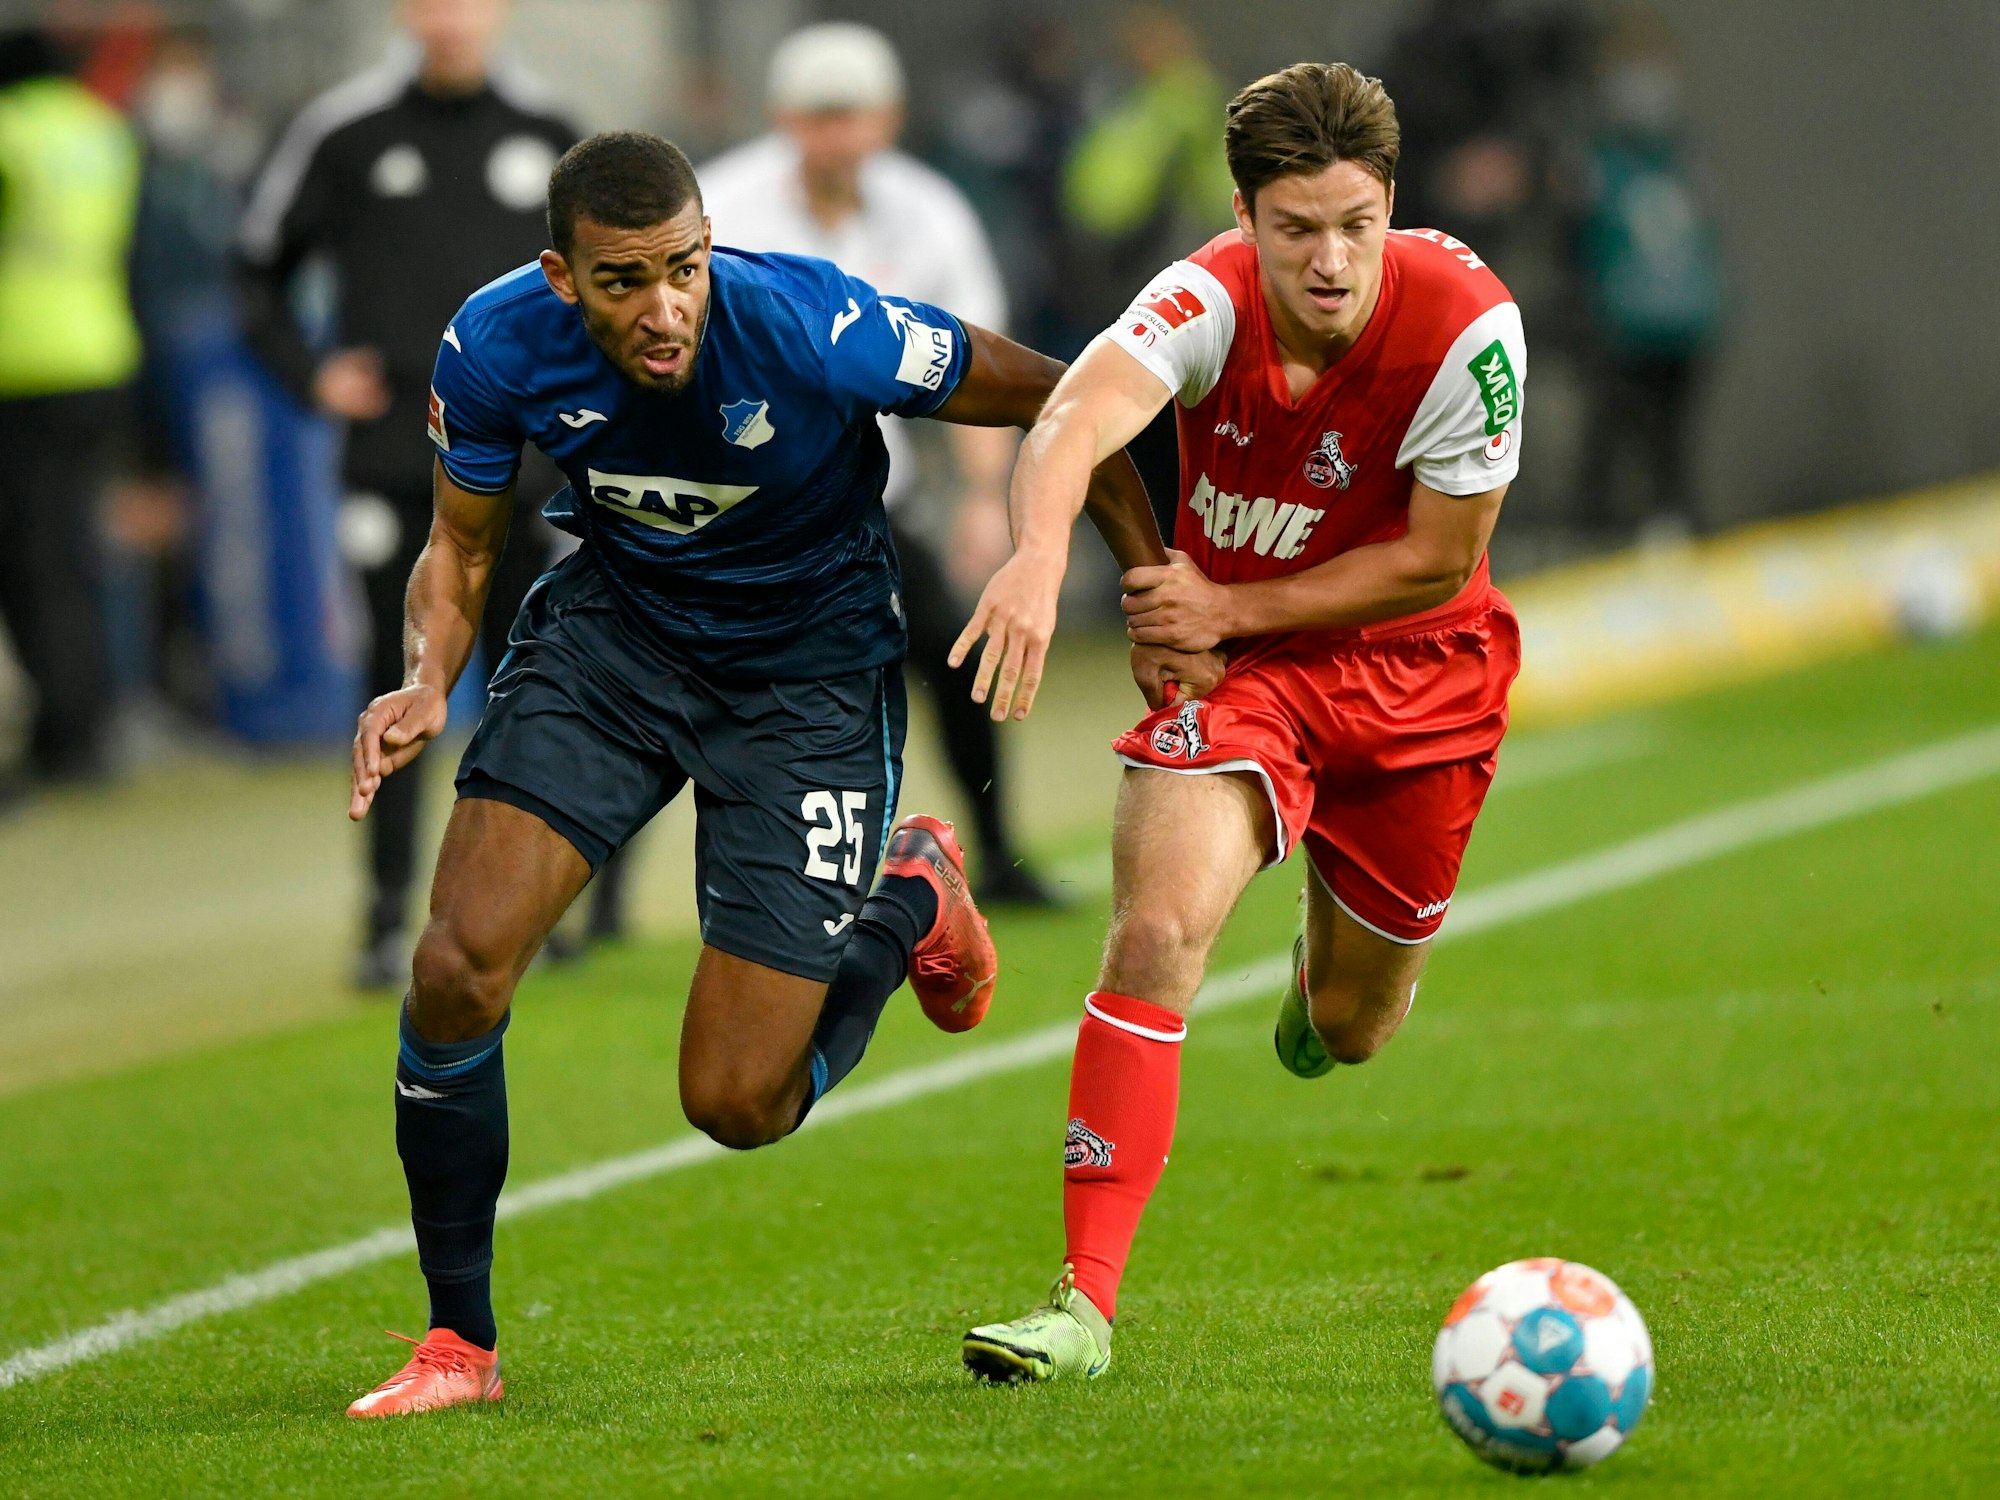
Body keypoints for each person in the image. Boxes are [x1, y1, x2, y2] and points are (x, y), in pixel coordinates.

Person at [340, 131, 1179, 1417]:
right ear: (561, 277)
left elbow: (1066, 395)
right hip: (615, 644)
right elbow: (461, 546)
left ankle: (910, 900)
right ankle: (460, 1342)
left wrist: (1123, 576)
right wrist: (423, 674)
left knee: (738, 1102)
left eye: (684, 266)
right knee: (454, 968)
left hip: (809, 680)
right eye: (624, 280)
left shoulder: (811, 322)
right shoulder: (494, 343)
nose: (665, 305)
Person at [952, 61, 1526, 1382]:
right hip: (1244, 678)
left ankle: (1315, 997)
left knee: (1355, 1027)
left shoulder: (1469, 329)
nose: (1329, 262)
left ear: (1393, 205)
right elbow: (1076, 414)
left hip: (1422, 679)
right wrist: (1040, 558)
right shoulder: (1203, 293)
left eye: (1356, 225)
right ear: (1245, 215)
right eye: (1295, 229)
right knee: (1153, 929)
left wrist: (1226, 595)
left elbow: (1439, 559)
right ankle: (1082, 1307)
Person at [234, 0, 602, 987]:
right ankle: (388, 916)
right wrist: (308, 374)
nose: (451, 16)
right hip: (397, 464)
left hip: (529, 467)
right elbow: (256, 265)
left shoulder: (551, 135)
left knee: (534, 686)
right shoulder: (346, 133)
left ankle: (527, 907)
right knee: (397, 686)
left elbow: (616, 279)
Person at [699, 22, 1052, 906]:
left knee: (953, 646)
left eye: (853, 114)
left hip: (854, 501)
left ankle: (999, 857)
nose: (838, 134)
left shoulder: (928, 211)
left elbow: (980, 367)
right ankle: (604, 907)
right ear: (786, 118)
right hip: (721, 499)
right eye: (820, 116)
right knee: (672, 684)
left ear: (887, 118)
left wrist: (981, 499)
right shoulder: (723, 203)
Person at [0, 27, 143, 785]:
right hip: (98, 349)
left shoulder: (13, 131)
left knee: (35, 558)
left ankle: (67, 733)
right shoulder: (100, 128)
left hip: (21, 363)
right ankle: (89, 717)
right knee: (75, 548)